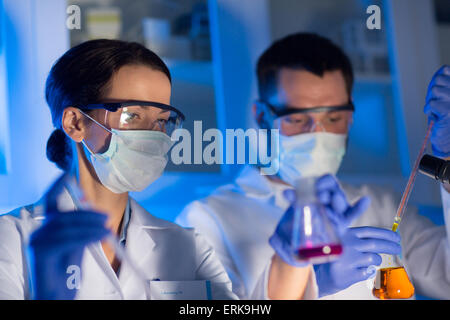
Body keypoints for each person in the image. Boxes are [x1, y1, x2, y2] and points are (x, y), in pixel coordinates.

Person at [176, 33, 450, 299]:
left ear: (351, 118)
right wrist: (314, 283)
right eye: (297, 119)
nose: (318, 135)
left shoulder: (380, 205)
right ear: (261, 116)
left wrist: (448, 158)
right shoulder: (204, 222)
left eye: (334, 118)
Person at [0, 39, 239, 300]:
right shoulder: (11, 238)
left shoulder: (188, 246)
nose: (153, 135)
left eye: (162, 120)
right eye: (132, 116)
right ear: (75, 123)